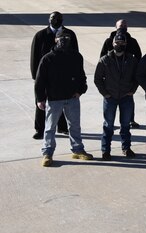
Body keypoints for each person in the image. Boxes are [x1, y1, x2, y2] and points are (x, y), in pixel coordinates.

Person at [35, 32, 92, 165]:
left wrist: (80, 91)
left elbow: (81, 76)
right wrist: (40, 99)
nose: (64, 40)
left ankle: (78, 150)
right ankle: (47, 154)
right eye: (61, 38)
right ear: (56, 39)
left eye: (67, 38)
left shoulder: (76, 56)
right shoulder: (48, 58)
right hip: (54, 99)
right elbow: (40, 81)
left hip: (72, 98)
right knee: (50, 127)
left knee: (75, 126)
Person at [94, 34, 140, 159]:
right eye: (117, 42)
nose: (119, 45)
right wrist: (105, 93)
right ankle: (105, 150)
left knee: (125, 125)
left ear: (125, 44)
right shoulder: (105, 60)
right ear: (112, 43)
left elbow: (137, 77)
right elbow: (97, 79)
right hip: (110, 98)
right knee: (108, 125)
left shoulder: (132, 59)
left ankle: (126, 148)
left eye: (122, 43)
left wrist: (132, 90)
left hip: (126, 96)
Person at [30, 11, 74, 139]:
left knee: (63, 101)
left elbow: (75, 55)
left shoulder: (70, 34)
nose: (55, 21)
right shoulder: (40, 35)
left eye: (58, 18)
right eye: (53, 18)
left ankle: (62, 127)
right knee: (41, 102)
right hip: (44, 76)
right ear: (49, 20)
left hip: (64, 76)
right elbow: (34, 57)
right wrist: (36, 76)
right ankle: (40, 129)